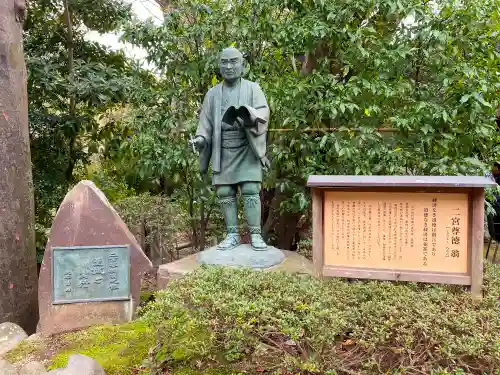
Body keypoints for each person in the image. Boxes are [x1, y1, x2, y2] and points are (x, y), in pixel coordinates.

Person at [191, 47, 271, 251]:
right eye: (224, 62)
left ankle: (255, 235)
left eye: (233, 62)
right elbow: (205, 123)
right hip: (223, 149)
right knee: (225, 191)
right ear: (219, 65)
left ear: (242, 65)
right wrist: (201, 139)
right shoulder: (212, 94)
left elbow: (264, 112)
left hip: (247, 147)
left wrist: (248, 115)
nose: (229, 66)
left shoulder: (253, 88)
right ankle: (233, 234)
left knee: (250, 189)